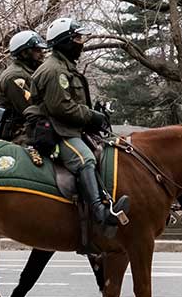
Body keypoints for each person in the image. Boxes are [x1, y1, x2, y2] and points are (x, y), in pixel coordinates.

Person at [25, 16, 128, 248]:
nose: (82, 43)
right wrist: (92, 116)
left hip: (70, 127)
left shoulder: (64, 67)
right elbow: (61, 108)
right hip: (59, 131)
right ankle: (100, 213)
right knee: (85, 159)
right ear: (65, 42)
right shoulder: (54, 71)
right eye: (78, 39)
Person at [0, 30, 48, 145]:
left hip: (32, 129)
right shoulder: (14, 76)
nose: (42, 54)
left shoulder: (31, 72)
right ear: (24, 53)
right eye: (37, 50)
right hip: (18, 134)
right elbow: (31, 109)